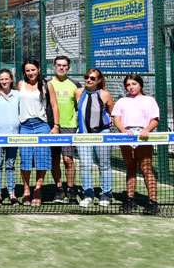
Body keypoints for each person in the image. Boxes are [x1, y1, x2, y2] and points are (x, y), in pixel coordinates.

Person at [112, 74, 159, 214]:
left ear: (140, 85)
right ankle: (130, 200)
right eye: (128, 85)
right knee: (130, 168)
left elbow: (155, 119)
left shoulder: (149, 100)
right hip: (126, 139)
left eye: (134, 84)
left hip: (144, 139)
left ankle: (153, 202)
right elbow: (116, 119)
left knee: (146, 169)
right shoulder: (122, 101)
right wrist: (124, 130)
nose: (131, 87)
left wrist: (146, 130)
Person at [17, 59, 59, 206]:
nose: (30, 73)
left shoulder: (47, 85)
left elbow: (54, 105)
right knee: (25, 160)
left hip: (42, 126)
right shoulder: (20, 85)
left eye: (33, 69)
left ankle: (38, 190)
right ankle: (27, 189)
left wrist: (56, 126)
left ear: (38, 69)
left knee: (42, 159)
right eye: (28, 70)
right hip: (25, 126)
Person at [75, 68, 114, 208]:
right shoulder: (79, 92)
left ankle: (106, 194)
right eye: (87, 77)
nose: (88, 80)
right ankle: (88, 194)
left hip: (102, 134)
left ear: (98, 80)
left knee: (104, 165)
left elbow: (112, 114)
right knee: (85, 165)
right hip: (83, 135)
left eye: (92, 78)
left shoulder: (105, 95)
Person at [47, 55, 80, 203]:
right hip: (52, 127)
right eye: (59, 65)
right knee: (54, 159)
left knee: (68, 160)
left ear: (68, 67)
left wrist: (79, 126)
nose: (61, 67)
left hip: (69, 126)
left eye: (64, 65)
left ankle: (71, 190)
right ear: (54, 66)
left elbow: (80, 107)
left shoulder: (75, 84)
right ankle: (59, 189)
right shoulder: (48, 84)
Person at [0, 69, 21, 205]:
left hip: (14, 137)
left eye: (6, 79)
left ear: (11, 80)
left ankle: (12, 193)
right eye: (1, 79)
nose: (4, 81)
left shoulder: (18, 95)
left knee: (10, 165)